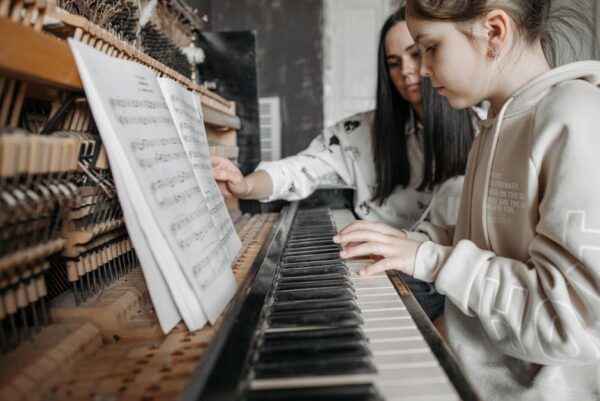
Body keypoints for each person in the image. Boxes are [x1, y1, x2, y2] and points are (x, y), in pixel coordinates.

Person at [334, 1, 600, 399]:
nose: (421, 70)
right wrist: (414, 242)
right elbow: (500, 245)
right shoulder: (493, 125)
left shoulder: (574, 116)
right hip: (470, 376)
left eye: (430, 48)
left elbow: (572, 322)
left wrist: (430, 259)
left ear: (494, 32)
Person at [212, 9, 476, 321]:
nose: (405, 70)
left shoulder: (483, 127)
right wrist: (245, 185)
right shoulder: (361, 132)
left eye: (416, 54)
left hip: (456, 282)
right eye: (393, 62)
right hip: (385, 273)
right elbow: (300, 169)